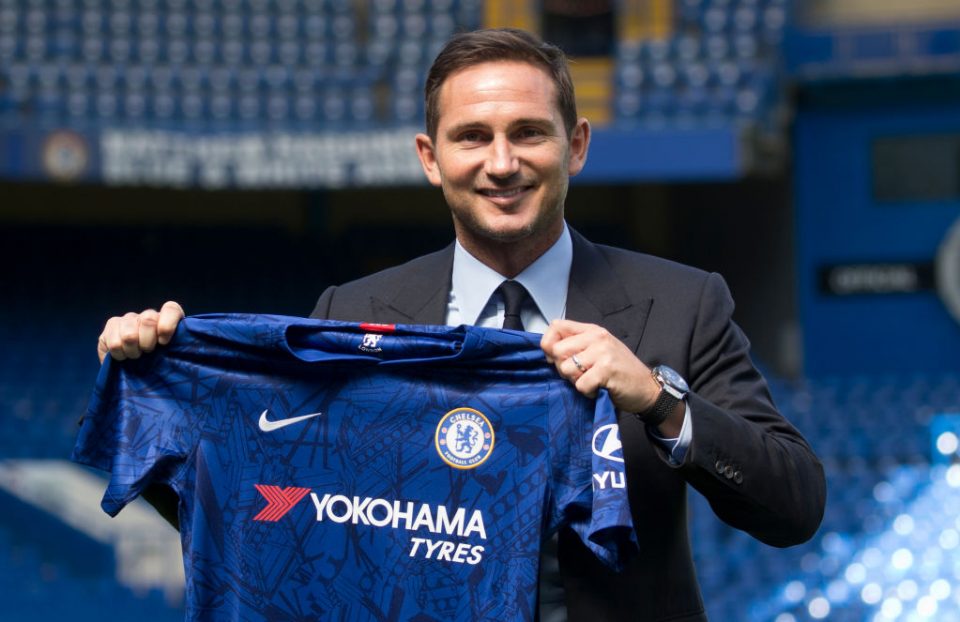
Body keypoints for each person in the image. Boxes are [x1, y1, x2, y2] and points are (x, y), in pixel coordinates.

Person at [96, 28, 825, 622]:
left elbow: (793, 505)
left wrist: (659, 402)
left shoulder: (680, 303)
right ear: (430, 157)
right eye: (472, 136)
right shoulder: (348, 314)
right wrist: (155, 379)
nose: (502, 163)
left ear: (576, 145)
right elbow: (268, 518)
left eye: (529, 134)